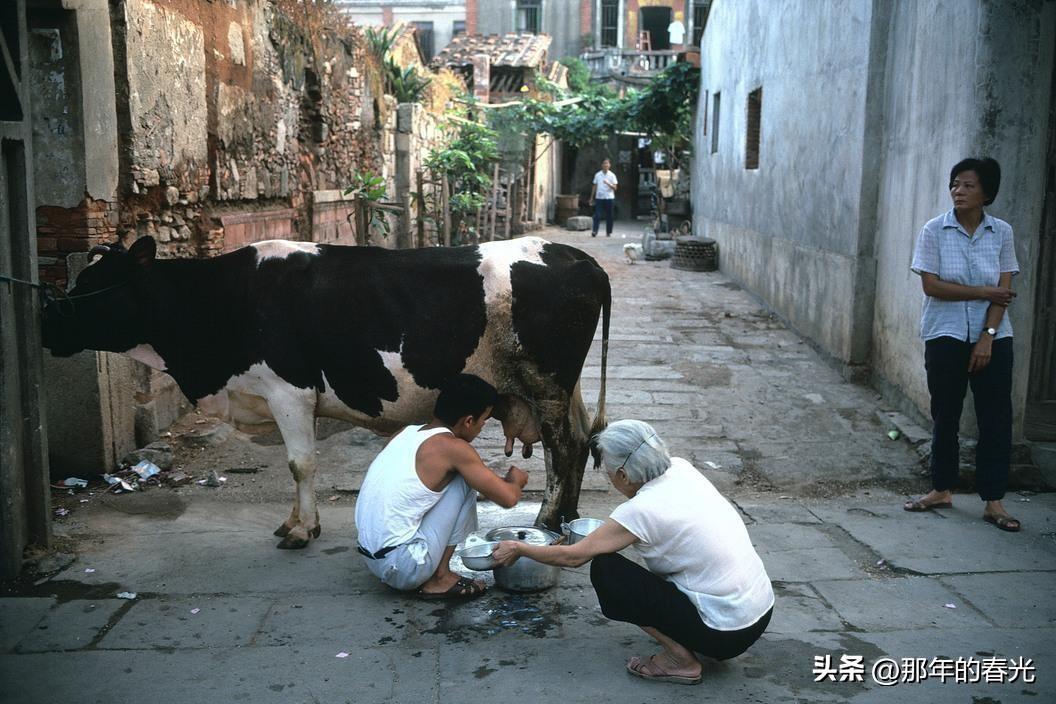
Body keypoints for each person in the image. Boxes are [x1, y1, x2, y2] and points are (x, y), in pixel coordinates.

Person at [492, 420, 774, 685]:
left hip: (726, 632)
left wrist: (520, 548)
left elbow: (574, 556)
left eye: (608, 473)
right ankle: (686, 634)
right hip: (759, 613)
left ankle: (679, 660)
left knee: (607, 569)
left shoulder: (641, 510)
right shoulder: (681, 468)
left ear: (623, 475)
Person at [904, 157, 1021, 531]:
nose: (958, 190)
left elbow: (1002, 294)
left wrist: (987, 337)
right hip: (945, 334)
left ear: (987, 191)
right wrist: (982, 291)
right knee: (946, 415)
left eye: (968, 185)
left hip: (994, 337)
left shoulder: (1001, 232)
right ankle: (941, 489)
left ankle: (994, 501)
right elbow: (931, 285)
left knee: (995, 419)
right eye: (955, 184)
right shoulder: (934, 230)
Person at [355, 374, 529, 599]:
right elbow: (508, 498)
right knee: (463, 481)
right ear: (468, 421)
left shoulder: (405, 433)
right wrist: (516, 480)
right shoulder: (453, 448)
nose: (483, 426)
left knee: (454, 478)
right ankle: (439, 577)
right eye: (484, 420)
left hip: (373, 560)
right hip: (403, 569)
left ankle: (431, 570)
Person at [590, 158, 619, 237]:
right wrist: (591, 197)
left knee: (609, 215)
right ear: (602, 165)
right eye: (604, 163)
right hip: (599, 197)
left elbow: (615, 188)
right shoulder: (598, 175)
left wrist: (608, 183)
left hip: (609, 198)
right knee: (597, 215)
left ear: (609, 165)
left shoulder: (612, 175)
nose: (605, 165)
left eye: (607, 163)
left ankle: (608, 232)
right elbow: (594, 186)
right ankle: (594, 231)